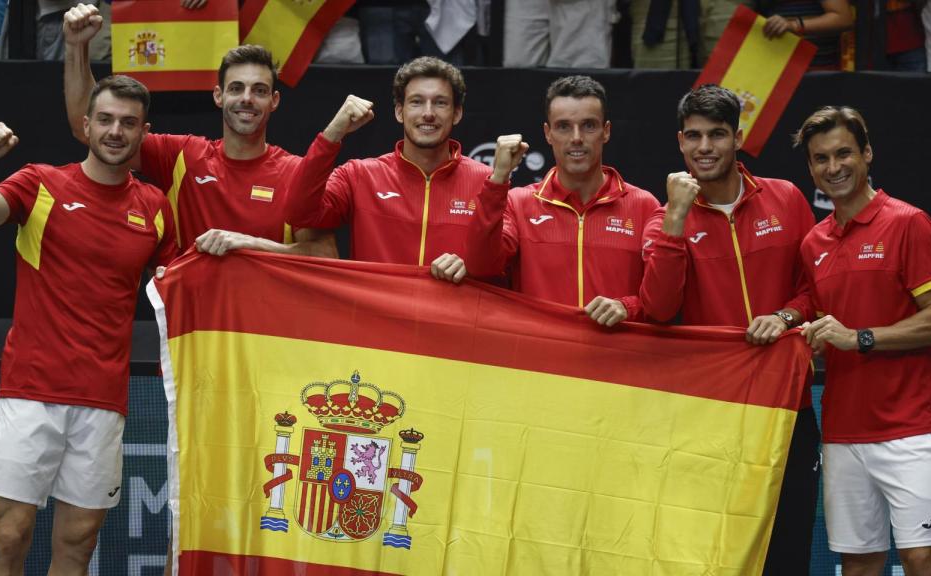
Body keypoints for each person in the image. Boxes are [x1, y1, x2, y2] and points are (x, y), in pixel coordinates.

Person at [0, 75, 177, 574]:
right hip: (31, 389)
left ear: (143, 133)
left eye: (128, 123)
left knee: (79, 541)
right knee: (11, 535)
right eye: (106, 120)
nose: (116, 131)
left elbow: (180, 286)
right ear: (86, 125)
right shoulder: (40, 183)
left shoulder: (156, 208)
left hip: (102, 398)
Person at [639, 83, 819, 574]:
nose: (705, 147)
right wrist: (677, 217)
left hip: (788, 407)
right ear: (680, 142)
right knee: (711, 553)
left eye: (717, 134)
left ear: (738, 138)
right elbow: (658, 308)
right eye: (694, 136)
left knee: (787, 548)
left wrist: (785, 316)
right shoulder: (663, 219)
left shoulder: (786, 198)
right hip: (710, 416)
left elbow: (815, 290)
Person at [798, 106, 931, 576]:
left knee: (920, 558)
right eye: (821, 158)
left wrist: (859, 338)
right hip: (842, 432)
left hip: (910, 428)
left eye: (844, 153)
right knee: (859, 564)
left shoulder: (909, 222)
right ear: (811, 168)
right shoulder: (813, 243)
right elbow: (824, 322)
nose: (834, 167)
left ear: (867, 153)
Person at [63, 3, 337, 259]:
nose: (247, 99)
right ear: (218, 96)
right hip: (192, 298)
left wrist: (251, 244)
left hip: (265, 298)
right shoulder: (182, 156)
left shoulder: (295, 172)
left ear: (274, 101)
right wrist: (76, 46)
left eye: (259, 91)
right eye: (236, 88)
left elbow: (326, 255)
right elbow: (87, 129)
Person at [465, 75, 659, 326]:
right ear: (548, 133)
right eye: (564, 126)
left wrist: (628, 307)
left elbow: (662, 304)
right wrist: (499, 178)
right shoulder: (519, 203)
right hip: (540, 351)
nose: (576, 137)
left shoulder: (644, 206)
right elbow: (480, 266)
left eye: (588, 125)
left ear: (606, 131)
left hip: (615, 351)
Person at [283, 56, 492, 284]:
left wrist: (473, 265)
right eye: (416, 102)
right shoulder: (360, 175)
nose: (428, 113)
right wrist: (333, 133)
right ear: (399, 112)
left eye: (440, 103)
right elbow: (298, 213)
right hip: (375, 308)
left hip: (451, 308)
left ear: (457, 113)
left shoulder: (486, 182)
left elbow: (501, 263)